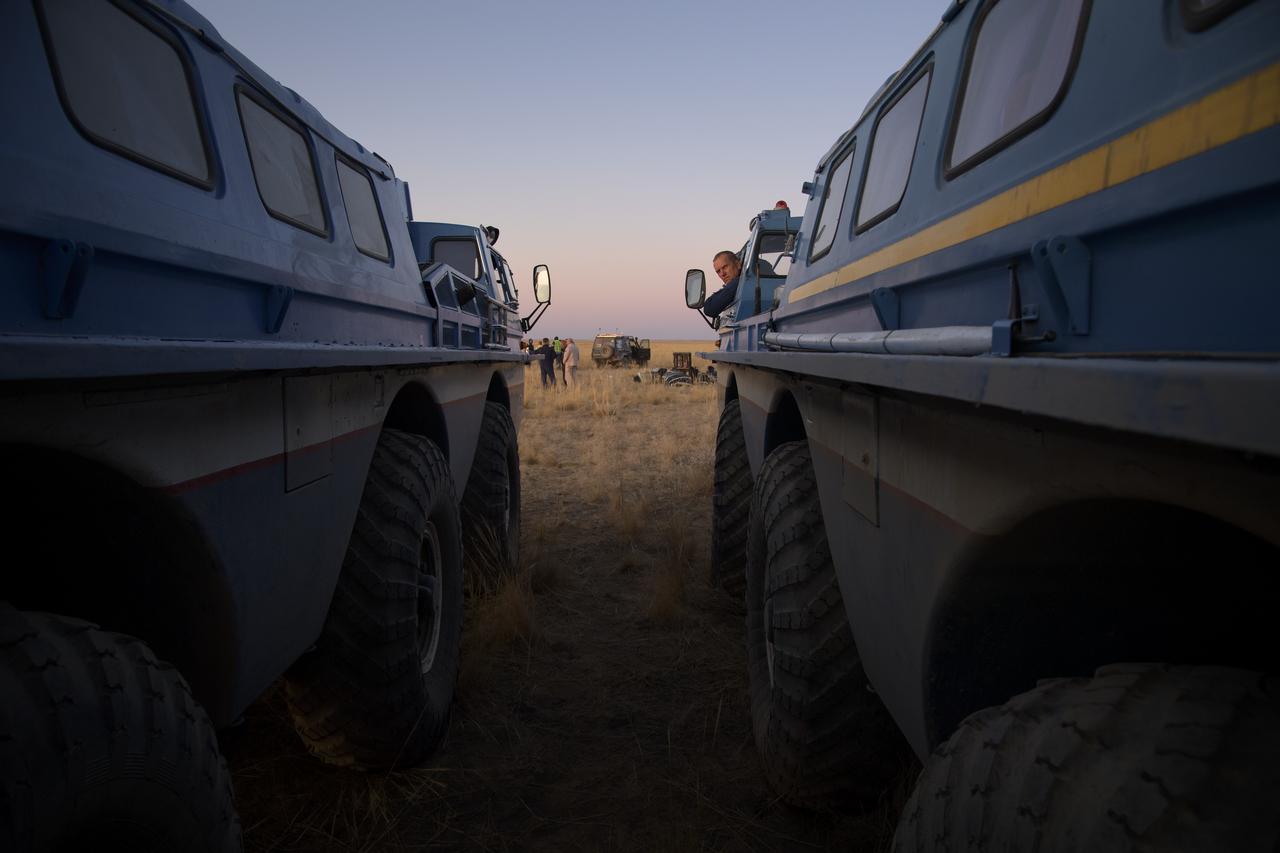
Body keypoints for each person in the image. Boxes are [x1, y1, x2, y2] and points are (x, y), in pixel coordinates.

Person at [703, 250, 741, 318]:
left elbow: (709, 308)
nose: (722, 274)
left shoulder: (741, 282)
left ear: (738, 264)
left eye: (725, 267)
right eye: (718, 271)